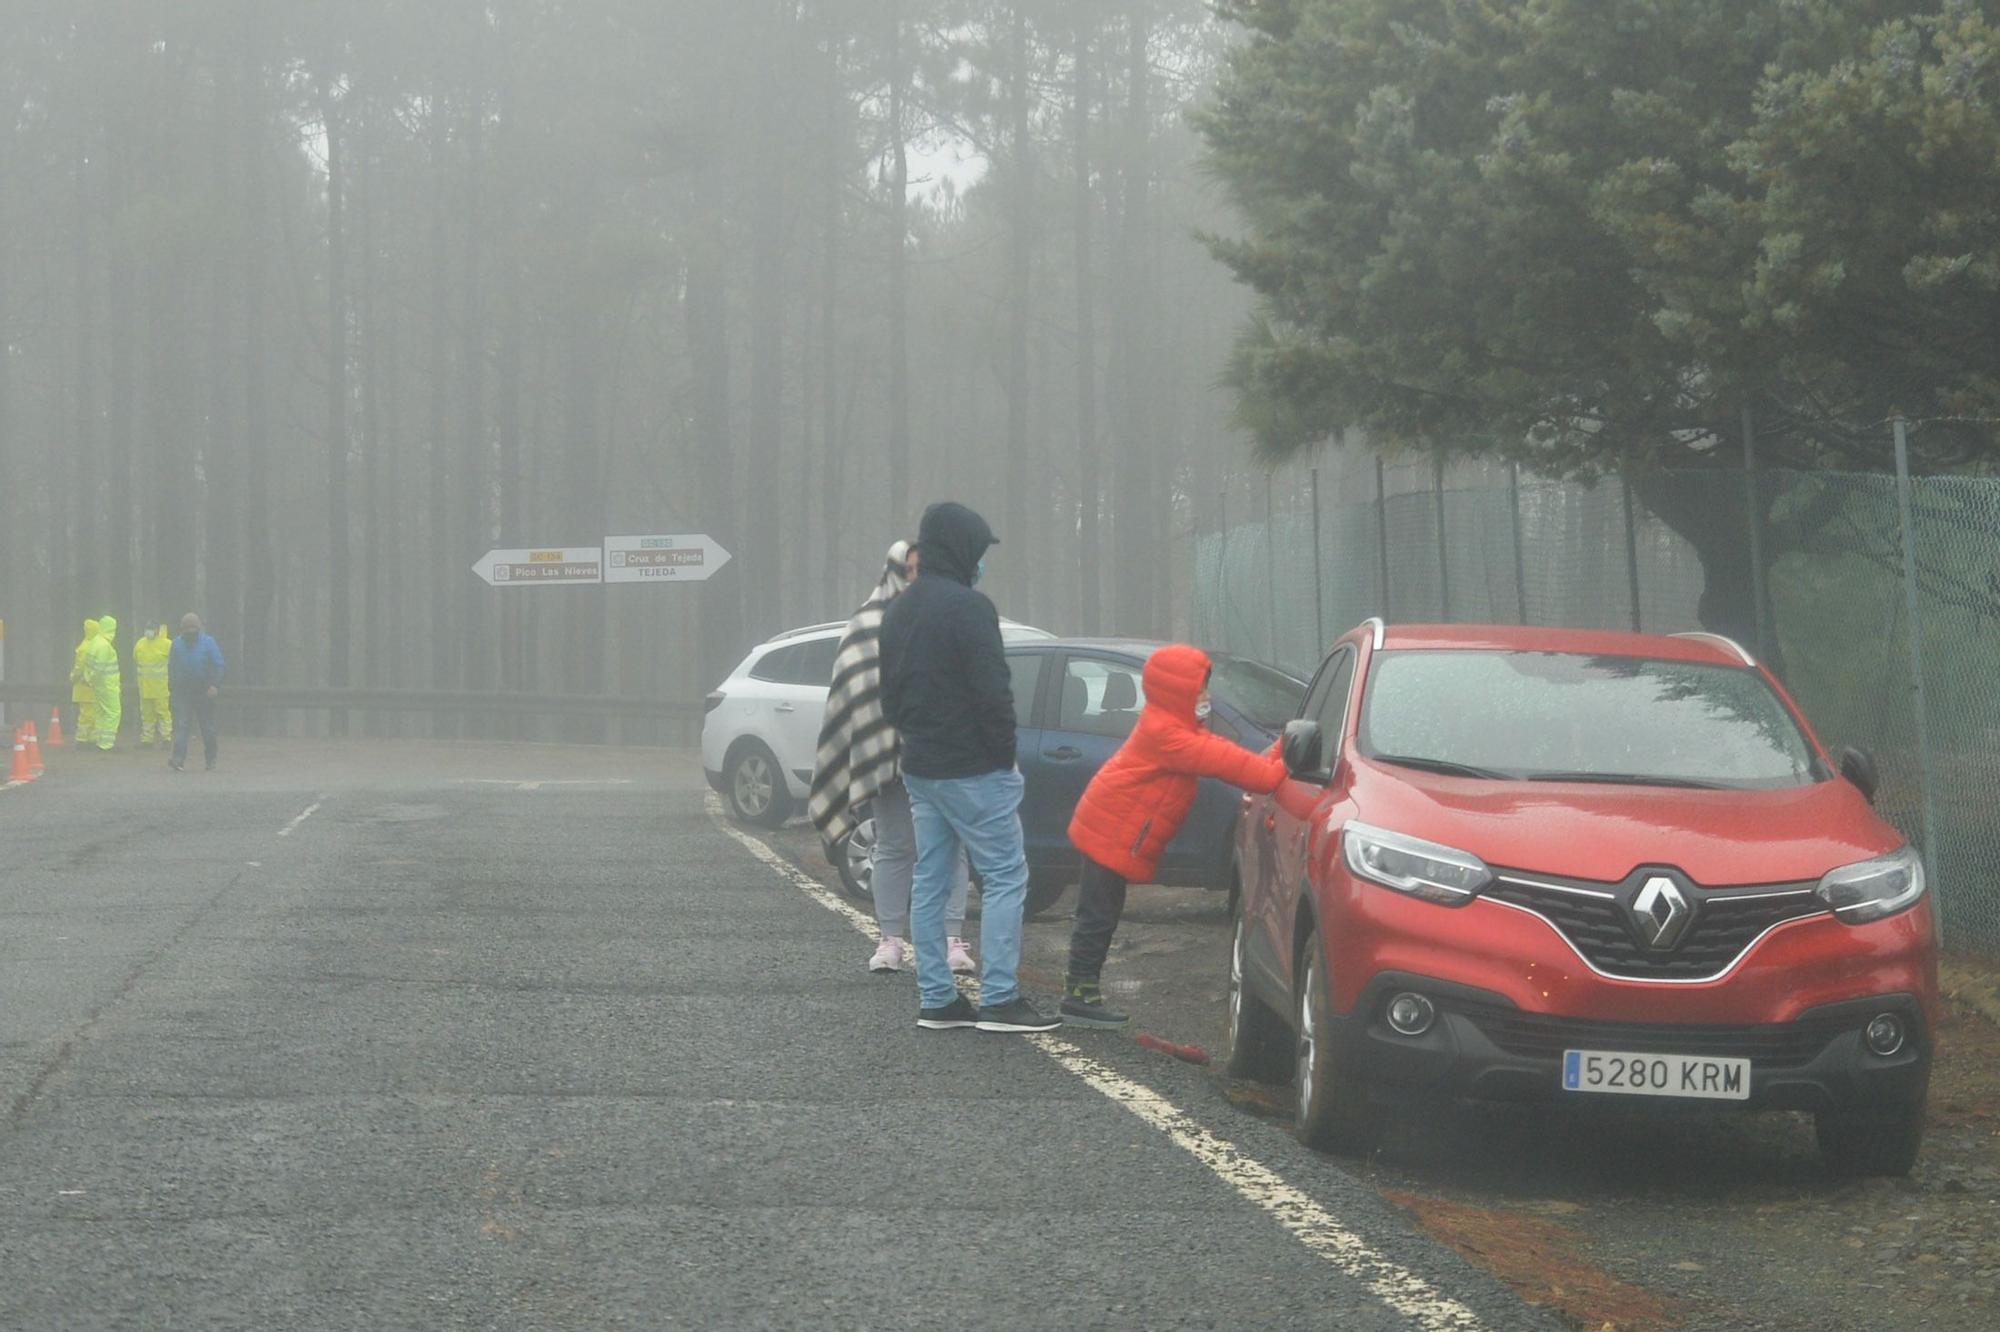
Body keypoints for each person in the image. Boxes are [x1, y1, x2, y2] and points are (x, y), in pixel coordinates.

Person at [881, 501, 1057, 1034]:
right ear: (961, 550)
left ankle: (937, 998)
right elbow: (992, 691)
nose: (981, 561)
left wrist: (917, 737)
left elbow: (888, 697)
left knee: (930, 878)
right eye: (978, 550)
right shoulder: (970, 608)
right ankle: (1001, 999)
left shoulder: (899, 610)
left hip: (921, 765)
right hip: (975, 768)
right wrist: (1003, 754)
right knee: (1005, 875)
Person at [1060, 645, 1288, 1027]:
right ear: (1178, 692)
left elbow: (1246, 760)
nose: (1206, 697)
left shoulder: (1171, 727)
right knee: (1097, 913)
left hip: (1110, 821)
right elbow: (1258, 775)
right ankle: (1078, 997)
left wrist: (1283, 744)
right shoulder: (1171, 737)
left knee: (1100, 911)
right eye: (1200, 689)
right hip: (1111, 825)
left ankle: (1082, 991)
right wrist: (1291, 750)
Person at [808, 540, 976, 975]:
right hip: (885, 756)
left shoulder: (947, 616)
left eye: (922, 568)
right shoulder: (866, 623)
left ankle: (951, 938)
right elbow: (856, 690)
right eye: (909, 569)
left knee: (951, 845)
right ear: (893, 571)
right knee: (895, 844)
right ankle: (889, 940)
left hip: (940, 752)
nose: (914, 577)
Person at [168, 613, 225, 772]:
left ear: (198, 628)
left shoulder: (208, 643)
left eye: (193, 628)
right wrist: (172, 687)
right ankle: (178, 759)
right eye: (187, 629)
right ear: (182, 629)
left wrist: (215, 685)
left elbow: (219, 665)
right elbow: (172, 667)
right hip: (183, 692)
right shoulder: (176, 644)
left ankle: (211, 758)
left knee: (207, 727)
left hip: (204, 691)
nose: (190, 632)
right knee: (181, 726)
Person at [83, 616, 122, 752]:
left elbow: (88, 665)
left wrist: (89, 680)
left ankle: (99, 739)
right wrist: (95, 679)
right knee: (113, 712)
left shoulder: (95, 641)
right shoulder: (105, 646)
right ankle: (106, 743)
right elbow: (100, 669)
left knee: (100, 712)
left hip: (98, 685)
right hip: (107, 685)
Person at [134, 623, 174, 749]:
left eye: (151, 629)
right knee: (146, 714)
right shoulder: (140, 643)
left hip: (160, 687)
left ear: (157, 630)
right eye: (147, 628)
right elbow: (135, 658)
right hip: (145, 687)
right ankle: (147, 740)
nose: (148, 631)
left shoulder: (167, 644)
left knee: (163, 713)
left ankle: (166, 739)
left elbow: (174, 662)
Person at [69, 619, 99, 747]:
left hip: (86, 686)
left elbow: (78, 668)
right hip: (87, 686)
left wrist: (73, 677)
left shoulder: (85, 645)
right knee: (88, 714)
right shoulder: (91, 646)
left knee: (89, 713)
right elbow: (80, 668)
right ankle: (83, 739)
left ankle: (88, 738)